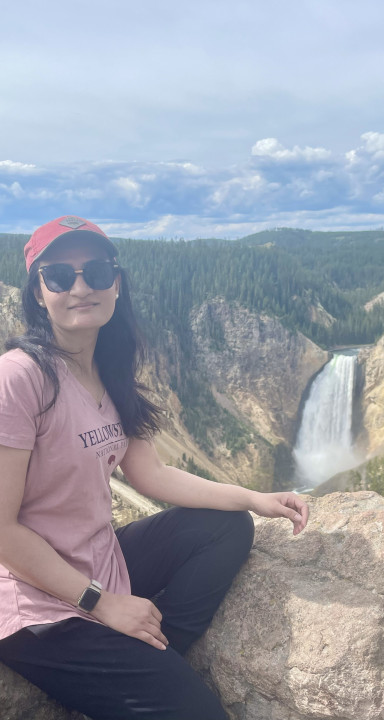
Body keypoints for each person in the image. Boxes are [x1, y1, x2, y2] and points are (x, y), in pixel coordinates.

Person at [0, 215, 308, 720]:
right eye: (58, 276)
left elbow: (152, 476)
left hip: (96, 563)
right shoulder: (20, 377)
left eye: (96, 272)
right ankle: (151, 673)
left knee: (227, 526)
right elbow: (2, 530)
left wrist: (254, 498)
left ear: (117, 283)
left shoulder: (109, 371)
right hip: (35, 603)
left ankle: (156, 657)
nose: (81, 287)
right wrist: (102, 604)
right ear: (38, 292)